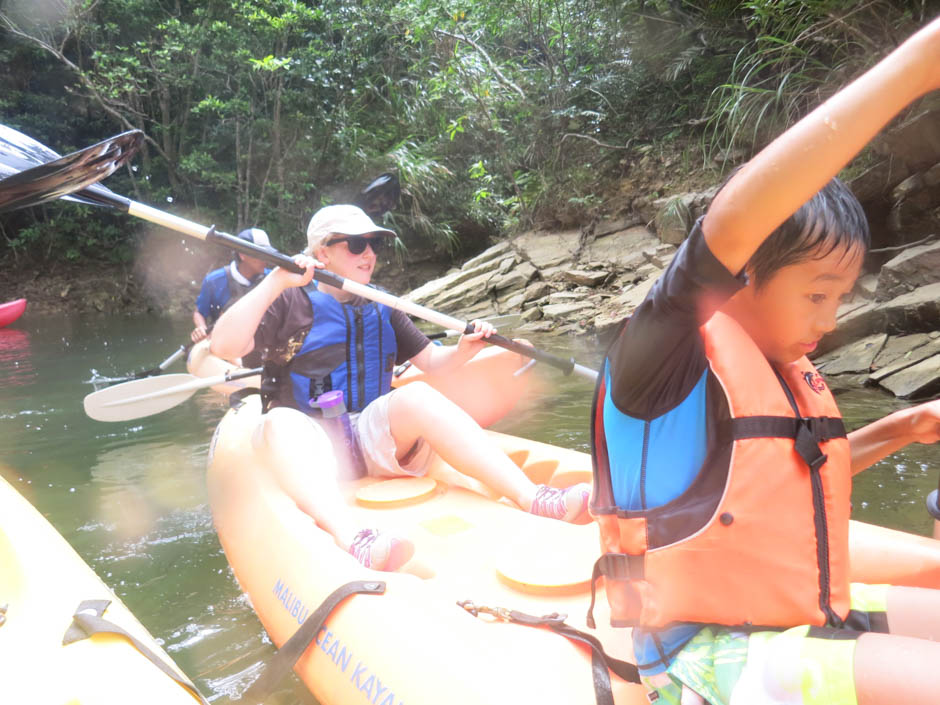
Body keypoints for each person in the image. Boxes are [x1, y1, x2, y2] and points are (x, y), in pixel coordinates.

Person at [588, 17, 940, 705]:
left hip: (791, 617)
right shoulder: (662, 355)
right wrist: (921, 65)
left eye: (840, 295)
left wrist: (903, 427)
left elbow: (780, 475)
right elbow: (729, 224)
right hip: (703, 658)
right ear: (743, 272)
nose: (831, 319)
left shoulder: (779, 368)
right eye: (816, 294)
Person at [211, 204, 590, 571]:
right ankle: (353, 539)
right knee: (280, 421)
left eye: (374, 244)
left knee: (418, 395)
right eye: (356, 245)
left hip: (368, 436)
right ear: (322, 252)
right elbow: (224, 347)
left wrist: (463, 350)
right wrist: (277, 279)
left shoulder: (381, 303)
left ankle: (534, 498)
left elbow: (433, 364)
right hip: (311, 443)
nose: (369, 254)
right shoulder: (287, 299)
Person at [191, 227, 272, 343]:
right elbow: (199, 312)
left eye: (268, 253)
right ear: (242, 255)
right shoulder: (214, 281)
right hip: (226, 345)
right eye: (261, 254)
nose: (266, 259)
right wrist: (201, 328)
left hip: (260, 345)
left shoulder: (272, 278)